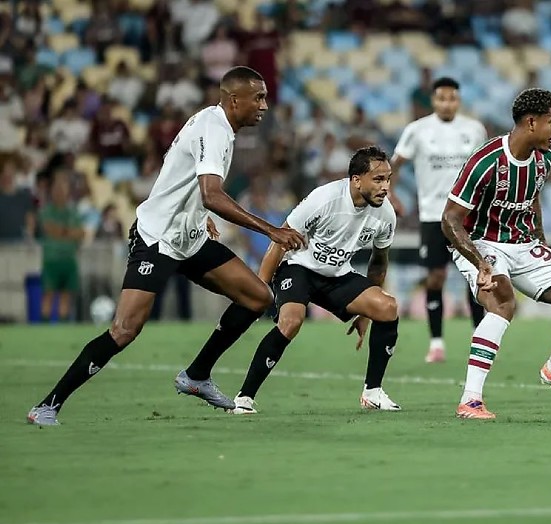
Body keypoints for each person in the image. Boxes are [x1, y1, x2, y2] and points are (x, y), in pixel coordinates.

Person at [27, 66, 305, 426]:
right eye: (259, 97)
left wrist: (195, 213)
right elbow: (211, 194)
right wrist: (271, 230)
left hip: (190, 236)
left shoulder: (217, 124)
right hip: (157, 239)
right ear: (235, 100)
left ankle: (197, 375)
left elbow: (183, 175)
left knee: (258, 297)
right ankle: (48, 405)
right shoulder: (214, 129)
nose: (265, 105)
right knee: (124, 330)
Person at [441, 88, 551, 420]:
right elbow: (450, 220)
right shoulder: (485, 162)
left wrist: (541, 240)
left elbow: (532, 196)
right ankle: (470, 400)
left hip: (523, 243)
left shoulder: (544, 158)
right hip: (481, 243)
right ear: (531, 122)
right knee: (503, 303)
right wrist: (479, 263)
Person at [228, 146, 401, 414]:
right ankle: (244, 398)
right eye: (378, 179)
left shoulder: (386, 214)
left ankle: (373, 392)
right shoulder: (324, 198)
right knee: (291, 322)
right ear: (357, 180)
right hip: (299, 268)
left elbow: (378, 263)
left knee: (387, 307)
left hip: (337, 275)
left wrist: (367, 315)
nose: (385, 187)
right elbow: (281, 239)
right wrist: (260, 291)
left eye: (388, 179)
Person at [390, 77, 488, 364]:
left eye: (452, 98)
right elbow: (395, 164)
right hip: (433, 215)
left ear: (459, 100)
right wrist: (391, 195)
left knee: (476, 277)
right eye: (441, 98)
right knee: (436, 277)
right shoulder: (417, 130)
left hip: (467, 215)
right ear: (434, 100)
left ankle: (481, 341)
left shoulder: (474, 129)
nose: (447, 104)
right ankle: (436, 343)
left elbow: (484, 168)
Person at [38, 175, 83, 322]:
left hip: (69, 259)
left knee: (66, 296)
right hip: (51, 259)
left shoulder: (73, 212)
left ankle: (63, 325)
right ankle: (44, 326)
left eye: (62, 189)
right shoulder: (46, 211)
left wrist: (61, 231)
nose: (60, 192)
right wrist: (68, 232)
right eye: (57, 189)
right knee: (48, 294)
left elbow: (80, 233)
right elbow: (49, 229)